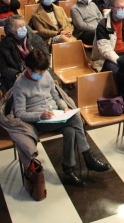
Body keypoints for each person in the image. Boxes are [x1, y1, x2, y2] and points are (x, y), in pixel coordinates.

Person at [12, 48, 110, 187]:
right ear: (28, 68)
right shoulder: (20, 85)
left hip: (55, 113)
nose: (42, 74)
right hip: (39, 120)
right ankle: (88, 156)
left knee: (70, 131)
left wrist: (64, 106)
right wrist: (40, 115)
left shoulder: (45, 75)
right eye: (38, 72)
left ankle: (68, 170)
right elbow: (20, 113)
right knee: (75, 118)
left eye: (44, 71)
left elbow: (56, 95)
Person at [0, 14, 50, 93]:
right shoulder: (4, 45)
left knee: (49, 84)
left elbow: (46, 56)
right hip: (18, 76)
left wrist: (39, 69)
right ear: (11, 30)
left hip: (38, 71)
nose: (23, 28)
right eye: (19, 26)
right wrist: (16, 74)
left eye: (23, 25)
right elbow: (3, 68)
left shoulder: (35, 38)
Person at [93, 0, 124, 75]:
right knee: (121, 73)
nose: (123, 10)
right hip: (108, 58)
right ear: (112, 8)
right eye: (120, 8)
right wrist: (119, 61)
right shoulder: (103, 24)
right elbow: (105, 49)